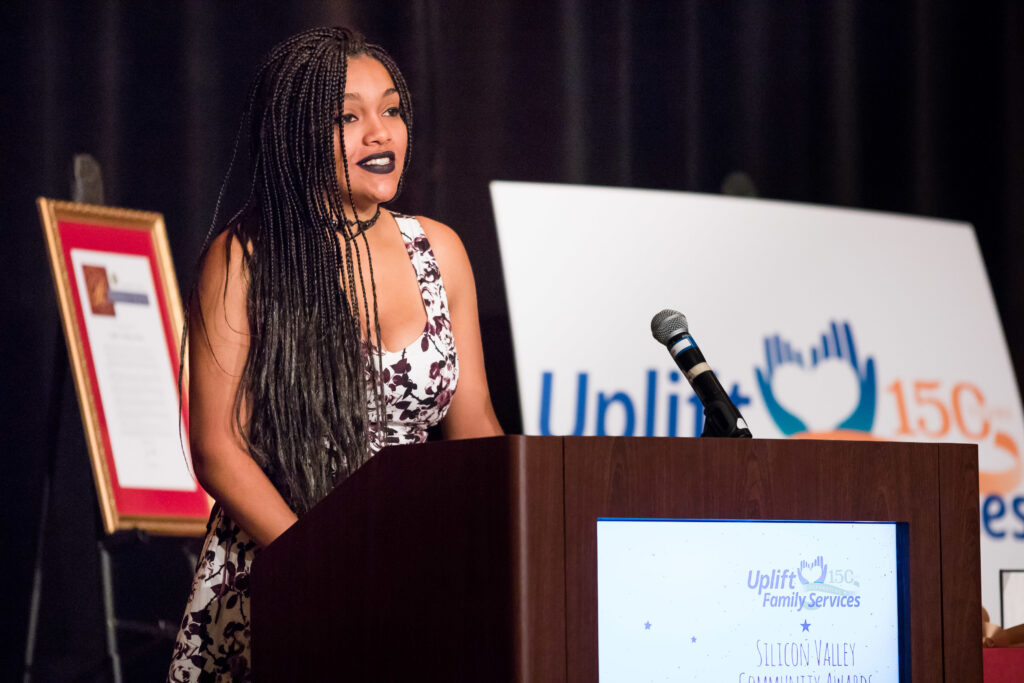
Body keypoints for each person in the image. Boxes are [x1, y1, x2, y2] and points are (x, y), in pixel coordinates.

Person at [167, 27, 502, 681]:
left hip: (413, 577)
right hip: (283, 572)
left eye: (391, 109)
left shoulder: (441, 251)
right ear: (296, 133)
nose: (380, 133)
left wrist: (503, 537)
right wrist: (327, 564)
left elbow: (475, 426)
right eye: (348, 117)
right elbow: (216, 446)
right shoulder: (245, 257)